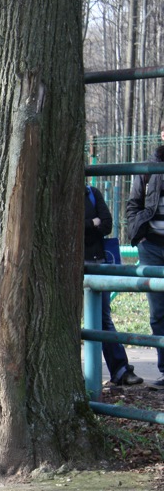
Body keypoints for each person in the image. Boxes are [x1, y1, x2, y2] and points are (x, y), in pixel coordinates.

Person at [86, 184, 142, 387]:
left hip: (97, 262)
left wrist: (89, 225)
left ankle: (120, 370)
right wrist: (91, 223)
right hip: (69, 265)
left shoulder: (92, 193)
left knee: (103, 319)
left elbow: (107, 224)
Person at [126, 129, 164, 390]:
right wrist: (137, 233)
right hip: (151, 246)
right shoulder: (148, 167)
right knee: (159, 312)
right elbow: (133, 204)